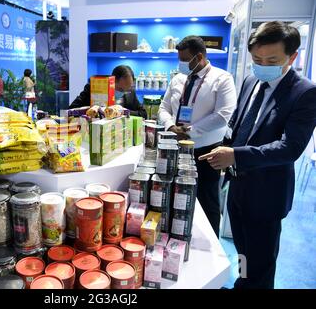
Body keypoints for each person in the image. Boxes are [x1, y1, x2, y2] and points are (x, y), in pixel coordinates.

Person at [199, 21, 316, 289]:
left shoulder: (305, 93)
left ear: (292, 56)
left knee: (261, 263)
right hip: (238, 186)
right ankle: (243, 282)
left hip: (266, 194)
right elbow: (239, 125)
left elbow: (290, 148)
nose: (262, 64)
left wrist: (236, 155)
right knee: (242, 252)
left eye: (272, 59)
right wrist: (222, 150)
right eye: (257, 59)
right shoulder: (252, 80)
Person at [158, 36, 237, 237]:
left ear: (199, 56)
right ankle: (176, 235)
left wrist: (190, 130)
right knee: (175, 197)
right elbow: (163, 107)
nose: (181, 64)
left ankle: (211, 246)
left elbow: (223, 115)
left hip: (205, 153)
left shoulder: (222, 78)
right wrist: (170, 126)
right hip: (175, 148)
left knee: (207, 201)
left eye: (184, 59)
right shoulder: (177, 79)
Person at [69, 65, 147, 118]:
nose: (123, 92)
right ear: (112, 81)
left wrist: (123, 112)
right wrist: (94, 110)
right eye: (120, 89)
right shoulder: (93, 88)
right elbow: (71, 110)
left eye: (127, 89)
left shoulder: (130, 92)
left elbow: (143, 114)